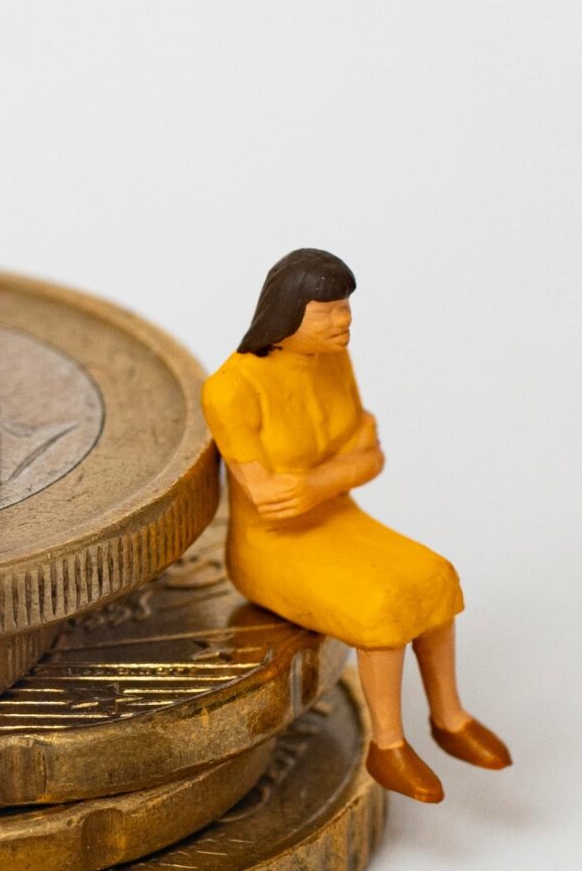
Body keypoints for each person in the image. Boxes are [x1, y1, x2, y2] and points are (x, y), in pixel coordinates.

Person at [200, 248, 513, 803]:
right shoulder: (233, 389)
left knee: (436, 576)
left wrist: (318, 481)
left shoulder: (334, 362)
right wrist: (336, 471)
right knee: (383, 602)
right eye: (326, 312)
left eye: (344, 307)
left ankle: (449, 717)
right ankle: (387, 745)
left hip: (338, 518)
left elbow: (372, 459)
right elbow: (272, 499)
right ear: (287, 314)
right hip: (271, 549)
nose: (342, 322)